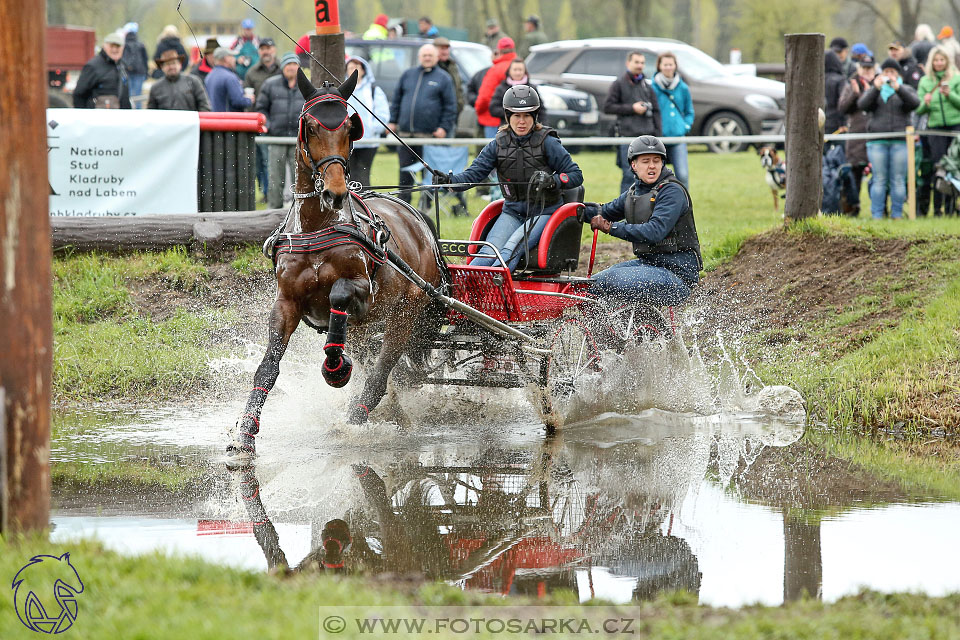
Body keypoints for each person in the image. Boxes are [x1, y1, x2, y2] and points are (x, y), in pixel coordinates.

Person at [434, 85, 583, 270]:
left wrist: (553, 181)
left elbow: (575, 175)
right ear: (508, 116)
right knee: (487, 253)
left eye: (527, 115)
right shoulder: (497, 144)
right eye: (516, 115)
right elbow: (473, 175)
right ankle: (463, 289)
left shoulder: (548, 142)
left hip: (544, 212)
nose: (522, 121)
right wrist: (449, 182)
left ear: (534, 116)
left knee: (509, 252)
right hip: (512, 212)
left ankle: (494, 294)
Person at [580, 135, 701, 307]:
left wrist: (611, 228)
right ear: (633, 165)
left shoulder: (672, 192)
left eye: (656, 160)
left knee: (609, 280)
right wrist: (569, 208)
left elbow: (654, 231)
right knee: (589, 286)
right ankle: (605, 332)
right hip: (649, 266)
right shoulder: (634, 191)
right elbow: (604, 212)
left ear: (662, 163)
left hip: (677, 276)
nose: (652, 166)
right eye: (645, 161)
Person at [388, 44, 457, 203]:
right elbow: (397, 100)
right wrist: (392, 121)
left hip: (429, 138)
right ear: (419, 57)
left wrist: (444, 128)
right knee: (405, 174)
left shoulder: (444, 78)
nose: (427, 58)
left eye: (430, 55)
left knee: (429, 175)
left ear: (436, 57)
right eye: (424, 55)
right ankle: (403, 204)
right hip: (406, 137)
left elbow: (450, 106)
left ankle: (427, 205)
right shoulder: (408, 75)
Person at [857, 58, 920, 219]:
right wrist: (875, 88)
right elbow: (862, 105)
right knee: (879, 179)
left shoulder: (905, 89)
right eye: (886, 72)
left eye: (892, 72)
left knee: (898, 180)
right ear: (881, 74)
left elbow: (915, 103)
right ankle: (877, 215)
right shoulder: (875, 90)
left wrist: (898, 89)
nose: (889, 75)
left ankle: (897, 215)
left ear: (898, 74)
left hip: (899, 141)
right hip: (877, 141)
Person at [604, 51, 661, 193]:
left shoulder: (647, 86)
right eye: (636, 62)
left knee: (648, 177)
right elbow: (608, 107)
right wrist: (632, 108)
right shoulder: (619, 84)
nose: (640, 65)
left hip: (648, 139)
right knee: (629, 175)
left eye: (642, 63)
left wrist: (658, 135)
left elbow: (656, 111)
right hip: (627, 138)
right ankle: (624, 211)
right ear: (628, 63)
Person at [256, 53, 306, 209]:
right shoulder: (270, 84)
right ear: (283, 67)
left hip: (298, 140)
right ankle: (273, 210)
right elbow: (261, 109)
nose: (291, 68)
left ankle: (299, 210)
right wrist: (269, 126)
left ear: (299, 67)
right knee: (275, 178)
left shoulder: (305, 86)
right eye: (288, 64)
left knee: (300, 178)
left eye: (294, 64)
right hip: (276, 138)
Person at [916, 46, 960, 216]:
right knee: (939, 167)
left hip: (955, 127)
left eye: (942, 60)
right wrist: (925, 103)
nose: (939, 63)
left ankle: (952, 208)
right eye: (936, 60)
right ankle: (937, 208)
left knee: (955, 167)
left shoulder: (956, 78)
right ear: (931, 62)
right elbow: (918, 110)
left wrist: (950, 95)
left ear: (947, 61)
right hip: (935, 128)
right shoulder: (925, 82)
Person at [837, 55, 877, 214]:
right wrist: (854, 94)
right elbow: (842, 108)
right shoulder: (851, 85)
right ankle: (853, 206)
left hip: (875, 134)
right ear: (859, 69)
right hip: (856, 136)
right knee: (854, 174)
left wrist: (871, 92)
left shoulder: (879, 84)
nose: (867, 71)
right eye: (864, 68)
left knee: (879, 175)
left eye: (870, 68)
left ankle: (880, 209)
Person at [650, 52, 694, 186]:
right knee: (655, 178)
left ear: (675, 66)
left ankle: (684, 204)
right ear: (659, 66)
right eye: (665, 64)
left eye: (671, 64)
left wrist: (685, 126)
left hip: (677, 138)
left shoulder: (683, 88)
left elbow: (689, 111)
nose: (668, 67)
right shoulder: (652, 87)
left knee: (682, 175)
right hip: (658, 139)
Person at [345, 56, 390, 187]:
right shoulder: (343, 90)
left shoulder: (374, 90)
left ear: (364, 70)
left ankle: (365, 203)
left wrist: (373, 129)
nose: (354, 70)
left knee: (363, 174)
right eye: (351, 68)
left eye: (357, 67)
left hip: (368, 142)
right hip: (347, 140)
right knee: (349, 174)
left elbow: (383, 113)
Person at [244, 38, 279, 203]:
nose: (266, 52)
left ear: (274, 50)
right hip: (259, 122)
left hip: (280, 120)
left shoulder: (283, 69)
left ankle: (276, 193)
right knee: (260, 162)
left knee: (275, 162)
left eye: (269, 48)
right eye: (263, 49)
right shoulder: (252, 73)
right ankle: (266, 193)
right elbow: (247, 97)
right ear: (259, 52)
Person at [73, 32, 131, 109]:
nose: (114, 49)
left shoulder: (122, 66)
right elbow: (78, 94)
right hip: (97, 118)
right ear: (104, 46)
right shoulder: (93, 66)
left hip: (119, 117)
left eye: (117, 46)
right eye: (111, 46)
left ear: (122, 48)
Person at [489, 59, 543, 123]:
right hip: (507, 127)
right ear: (509, 71)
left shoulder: (532, 89)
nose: (517, 73)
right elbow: (493, 109)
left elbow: (541, 110)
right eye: (515, 70)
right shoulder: (501, 88)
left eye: (520, 70)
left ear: (524, 71)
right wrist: (513, 112)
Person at [205, 47, 253, 112]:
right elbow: (238, 100)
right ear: (226, 59)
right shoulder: (230, 77)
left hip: (214, 119)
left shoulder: (209, 76)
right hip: (228, 120)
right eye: (232, 56)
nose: (234, 59)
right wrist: (249, 99)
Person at [434, 37, 464, 118]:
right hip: (438, 115)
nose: (445, 52)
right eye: (442, 49)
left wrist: (460, 105)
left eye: (447, 49)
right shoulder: (432, 67)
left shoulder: (452, 66)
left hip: (453, 113)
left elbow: (458, 87)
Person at [121, 22, 148, 106]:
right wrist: (146, 72)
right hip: (140, 72)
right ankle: (138, 113)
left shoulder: (123, 45)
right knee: (138, 95)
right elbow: (145, 59)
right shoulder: (141, 45)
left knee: (128, 94)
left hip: (127, 72)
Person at [824, 50, 848, 137]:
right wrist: (843, 123)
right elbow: (842, 102)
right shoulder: (840, 80)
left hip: (820, 121)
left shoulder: (817, 80)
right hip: (836, 123)